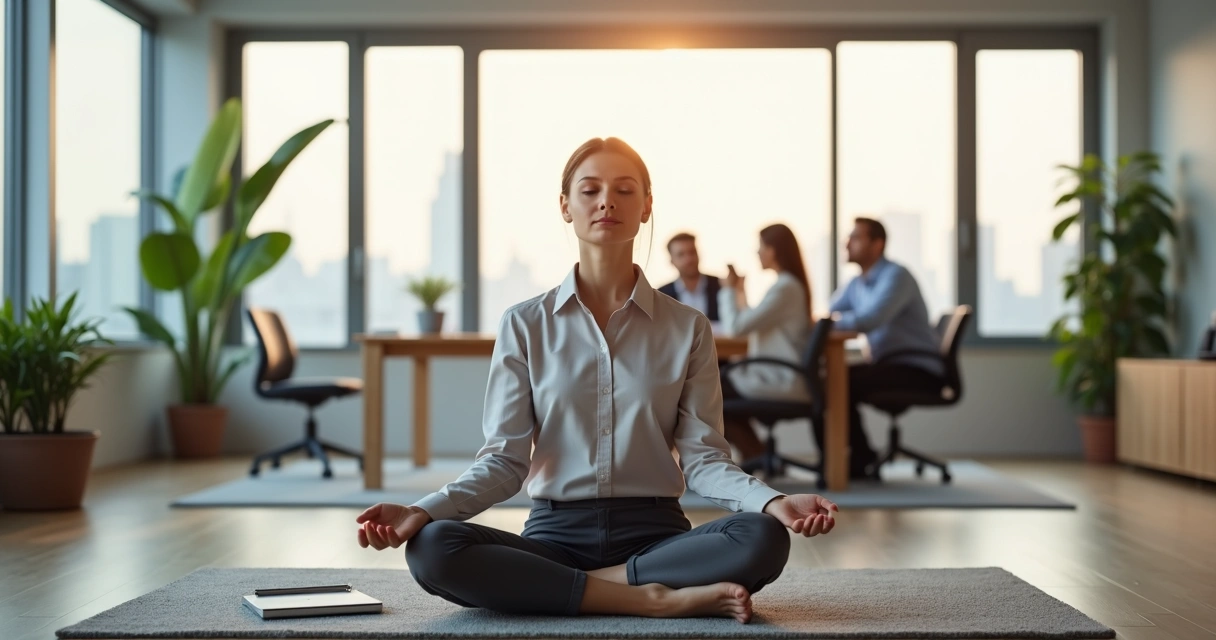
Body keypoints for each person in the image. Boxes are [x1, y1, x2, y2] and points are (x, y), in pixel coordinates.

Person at [355, 138, 838, 623]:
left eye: (625, 190)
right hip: (554, 538)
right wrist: (425, 509)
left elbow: (705, 461)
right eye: (590, 190)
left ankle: (572, 593)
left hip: (657, 539)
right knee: (433, 546)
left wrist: (772, 500)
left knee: (763, 537)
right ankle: (653, 599)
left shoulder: (688, 327)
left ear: (647, 206)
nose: (607, 201)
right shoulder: (524, 324)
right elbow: (504, 461)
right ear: (566, 206)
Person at [827, 217, 945, 478]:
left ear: (877, 244)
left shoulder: (896, 276)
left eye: (856, 237)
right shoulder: (857, 283)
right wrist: (826, 321)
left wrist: (826, 324)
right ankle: (855, 458)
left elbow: (869, 320)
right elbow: (829, 313)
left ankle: (860, 460)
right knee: (833, 378)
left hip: (916, 368)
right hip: (888, 364)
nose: (847, 243)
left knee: (838, 380)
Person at [715, 224, 814, 464]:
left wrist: (727, 291)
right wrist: (739, 292)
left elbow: (736, 329)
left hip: (780, 379)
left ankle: (753, 453)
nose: (757, 253)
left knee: (703, 389)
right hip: (776, 374)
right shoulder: (786, 286)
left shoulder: (785, 288)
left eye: (761, 247)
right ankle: (755, 453)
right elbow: (751, 321)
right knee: (708, 389)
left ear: (774, 250)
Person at [658, 233, 722, 324]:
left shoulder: (720, 286)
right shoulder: (662, 295)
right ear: (672, 261)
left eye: (692, 252)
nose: (688, 259)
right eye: (681, 255)